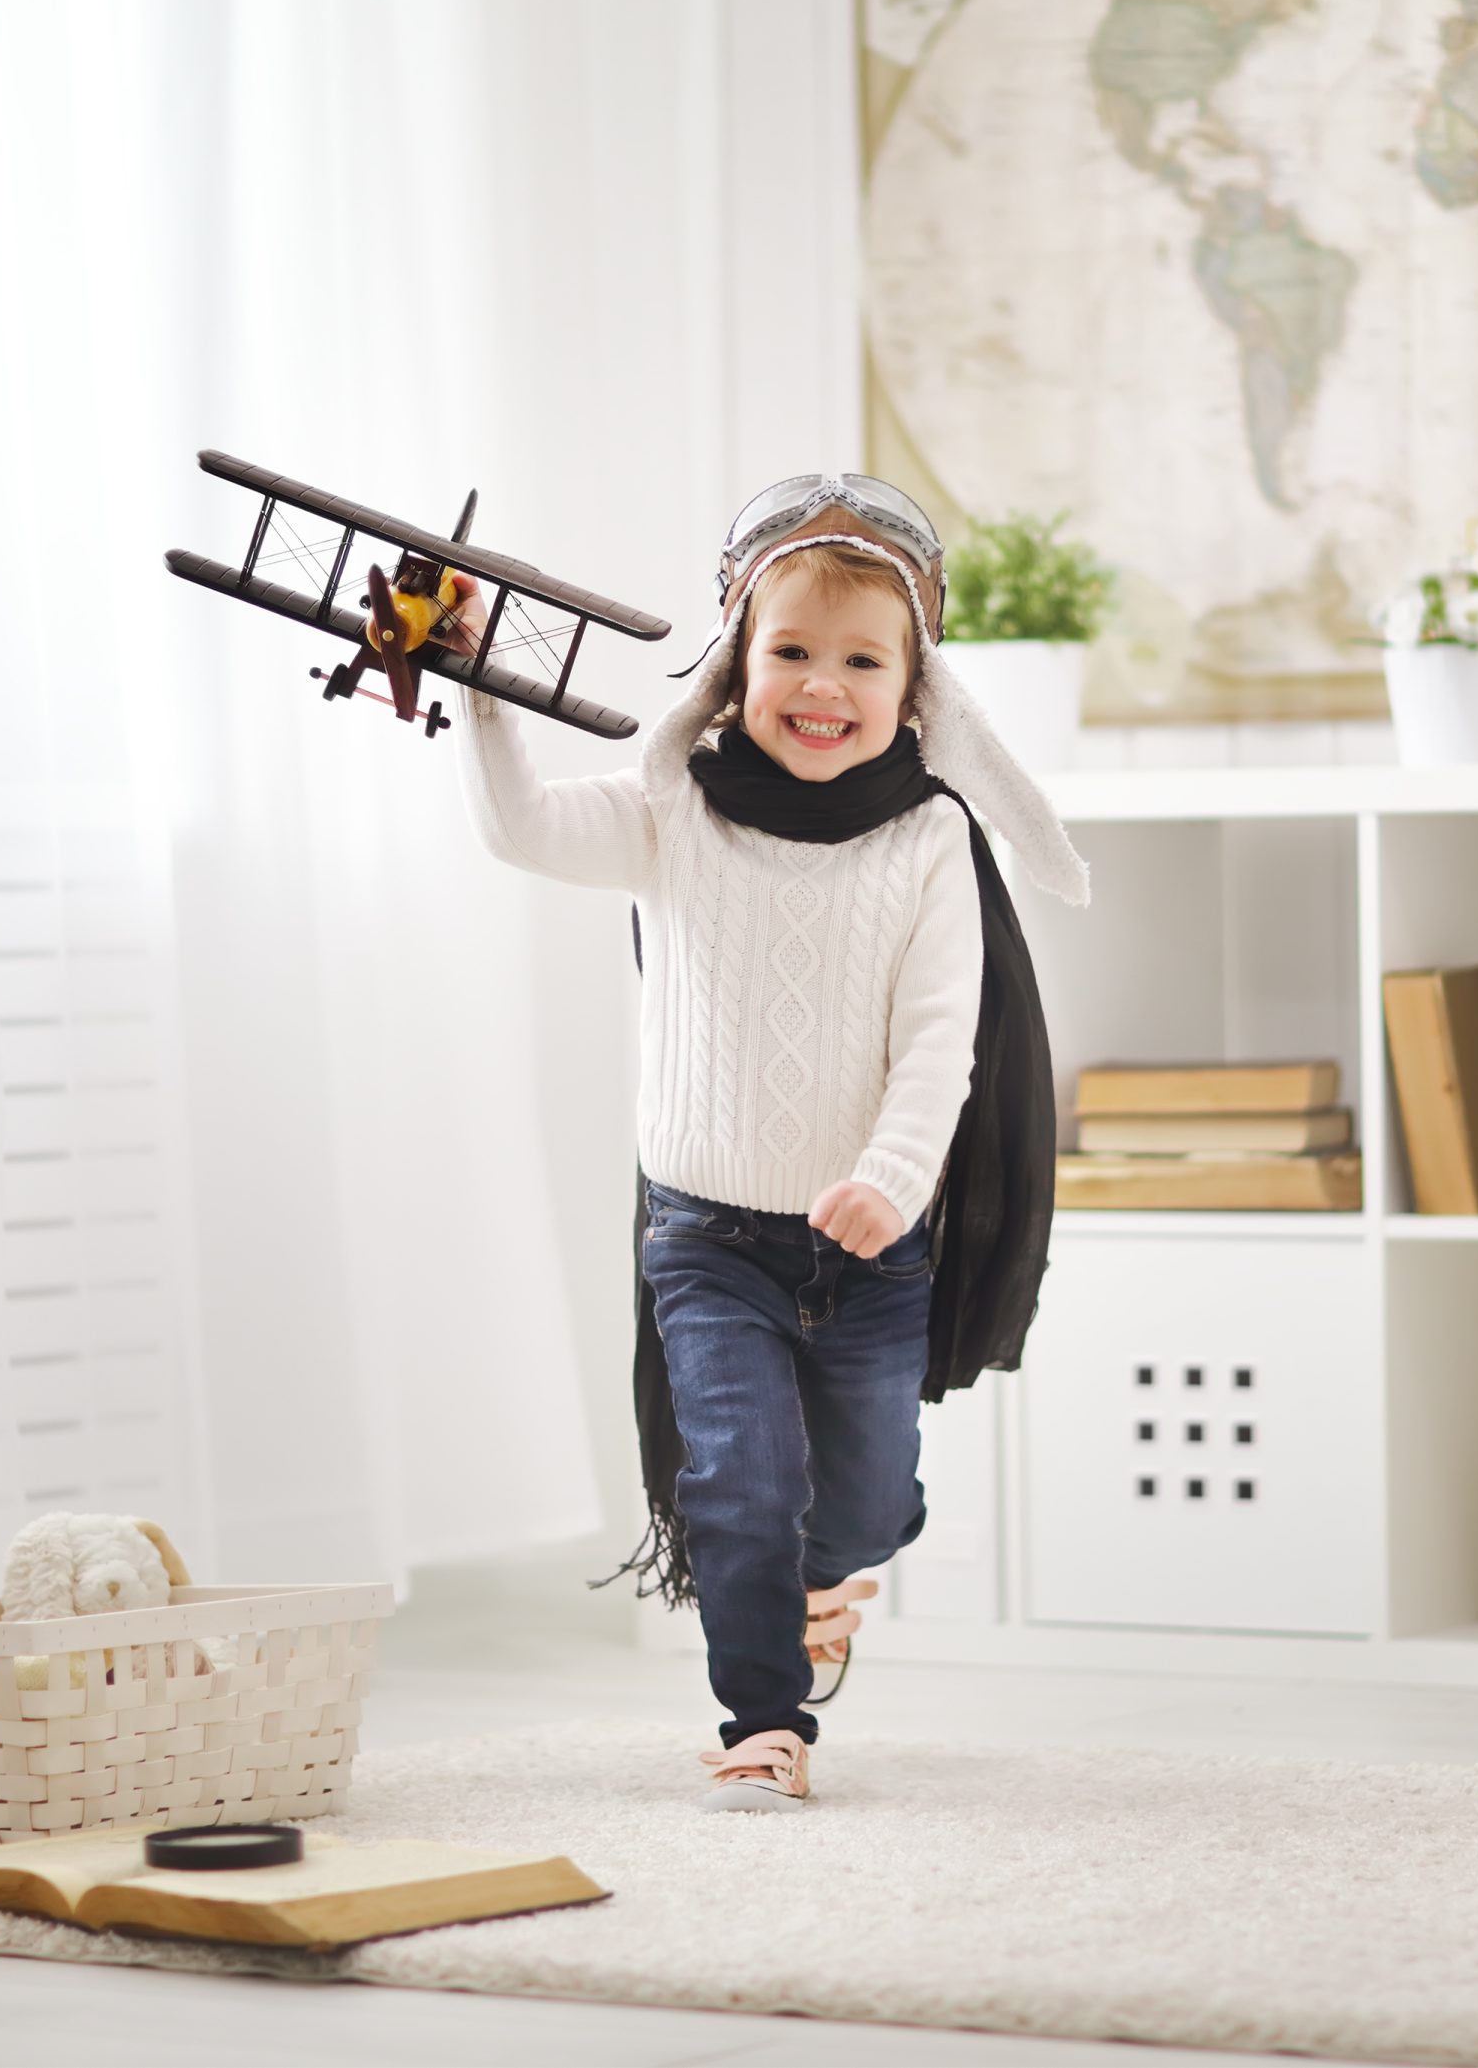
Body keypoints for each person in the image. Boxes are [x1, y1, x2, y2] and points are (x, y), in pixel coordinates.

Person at [441, 474, 1087, 1809]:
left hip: (870, 1246)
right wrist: (483, 695)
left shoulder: (926, 841)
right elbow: (519, 827)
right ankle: (762, 1724)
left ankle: (839, 1564)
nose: (822, 683)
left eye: (862, 658)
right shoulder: (672, 808)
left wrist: (895, 1179)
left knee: (851, 1505)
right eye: (790, 649)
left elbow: (937, 1046)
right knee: (738, 1478)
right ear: (737, 661)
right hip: (708, 1236)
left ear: (916, 691)